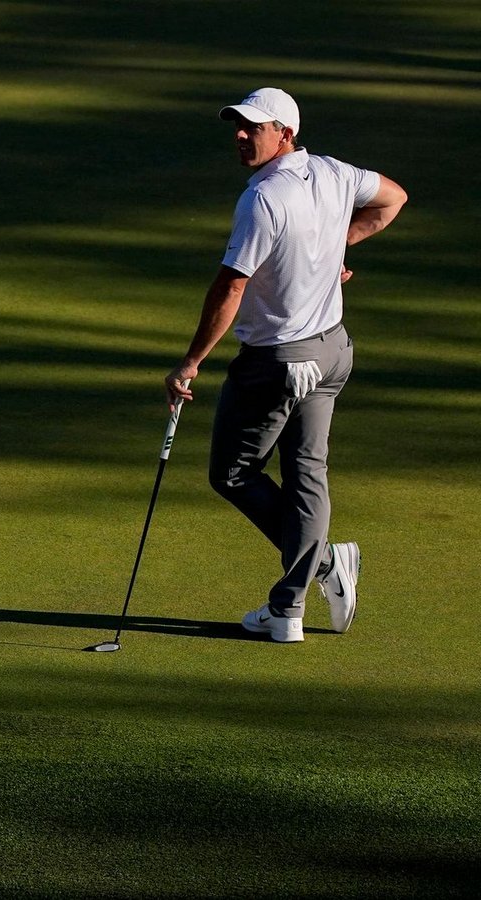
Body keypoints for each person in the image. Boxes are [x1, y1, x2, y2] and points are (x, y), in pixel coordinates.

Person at [164, 87, 407, 643]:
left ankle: (316, 571)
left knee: (232, 473)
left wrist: (191, 361)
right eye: (239, 126)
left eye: (255, 127)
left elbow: (231, 284)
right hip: (333, 351)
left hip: (277, 362)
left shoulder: (263, 198)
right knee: (306, 474)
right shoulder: (334, 172)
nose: (242, 135)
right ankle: (289, 611)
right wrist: (336, 249)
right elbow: (393, 197)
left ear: (286, 134)